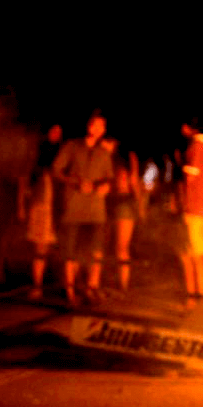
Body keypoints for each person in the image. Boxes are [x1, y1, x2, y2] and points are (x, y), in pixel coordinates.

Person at [51, 110, 114, 305]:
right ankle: (70, 290)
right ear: (89, 126)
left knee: (96, 250)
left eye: (103, 126)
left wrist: (106, 186)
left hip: (96, 209)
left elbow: (109, 177)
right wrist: (75, 182)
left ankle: (91, 287)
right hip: (74, 207)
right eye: (96, 125)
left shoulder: (104, 152)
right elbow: (56, 170)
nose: (100, 129)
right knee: (71, 251)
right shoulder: (72, 146)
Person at [21, 123, 63, 300]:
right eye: (53, 130)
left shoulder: (63, 155)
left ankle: (59, 286)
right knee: (40, 247)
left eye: (59, 132)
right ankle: (36, 285)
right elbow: (24, 181)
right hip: (40, 206)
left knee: (57, 248)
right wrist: (21, 206)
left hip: (58, 206)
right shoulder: (37, 155)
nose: (56, 134)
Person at [178, 118, 203, 310]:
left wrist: (180, 164)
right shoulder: (198, 146)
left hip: (195, 208)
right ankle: (192, 295)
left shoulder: (196, 147)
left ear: (187, 127)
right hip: (193, 208)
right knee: (186, 253)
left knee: (196, 253)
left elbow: (190, 177)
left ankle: (201, 297)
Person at [106, 141, 142, 293]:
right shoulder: (112, 158)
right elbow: (133, 182)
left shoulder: (126, 158)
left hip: (122, 203)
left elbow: (133, 181)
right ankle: (121, 284)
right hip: (117, 202)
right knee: (119, 247)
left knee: (121, 247)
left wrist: (139, 205)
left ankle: (123, 285)